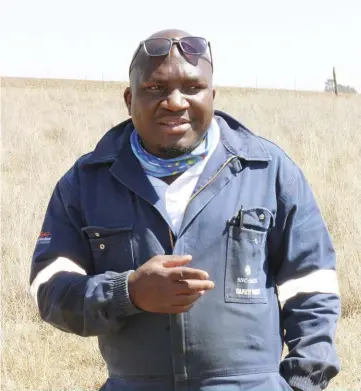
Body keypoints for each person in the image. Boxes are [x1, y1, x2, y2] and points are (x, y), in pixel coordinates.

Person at [29, 29, 340, 391]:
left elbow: (313, 287)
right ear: (130, 98)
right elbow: (49, 291)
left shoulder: (268, 171)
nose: (175, 102)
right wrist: (127, 293)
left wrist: (303, 383)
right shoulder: (87, 182)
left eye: (192, 87)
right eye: (155, 89)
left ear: (212, 94)